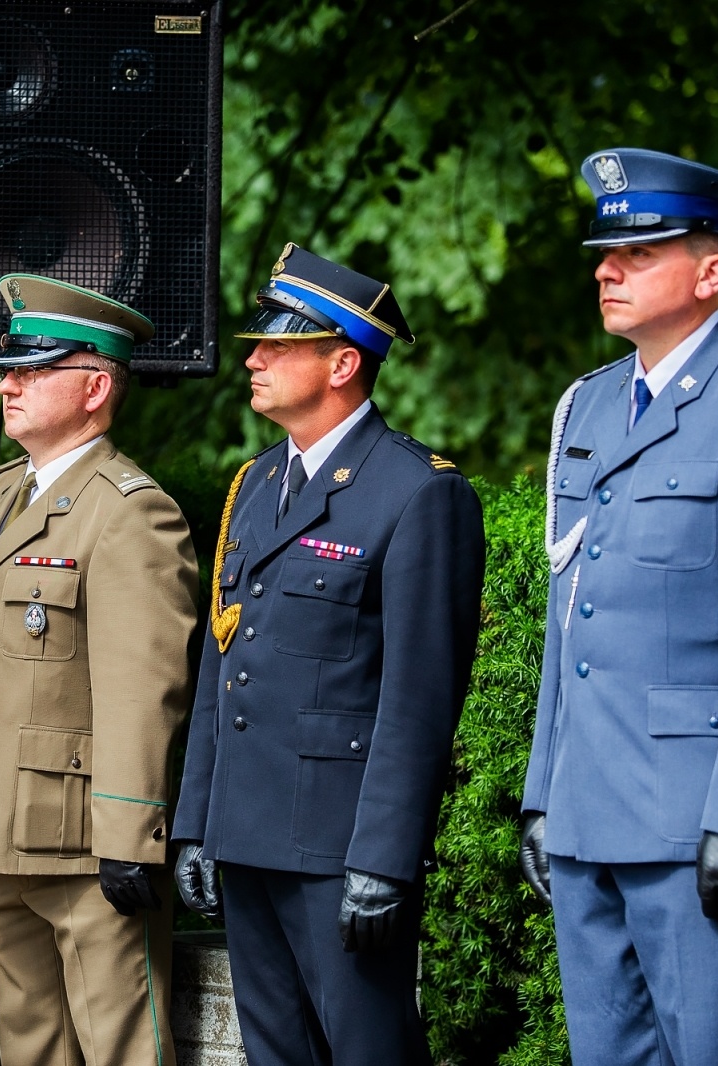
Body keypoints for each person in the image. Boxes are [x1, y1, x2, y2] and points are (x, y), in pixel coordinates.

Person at [518, 148, 718, 1066]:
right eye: (605, 253)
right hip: (588, 821)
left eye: (640, 252)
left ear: (713, 271)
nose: (605, 269)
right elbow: (568, 620)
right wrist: (545, 793)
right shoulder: (584, 408)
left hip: (703, 826)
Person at [172, 245, 485, 1066]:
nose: (253, 358)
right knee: (275, 1053)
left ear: (344, 361)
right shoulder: (255, 484)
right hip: (248, 834)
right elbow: (222, 666)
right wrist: (198, 823)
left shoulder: (417, 491)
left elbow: (419, 699)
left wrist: (384, 856)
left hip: (340, 849)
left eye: (279, 344)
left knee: (367, 1051)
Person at [0, 275, 198, 1066]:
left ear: (94, 387)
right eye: (8, 365)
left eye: (33, 367)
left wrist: (128, 836)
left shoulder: (130, 510)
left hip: (84, 843)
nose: (7, 380)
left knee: (123, 1051)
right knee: (29, 1051)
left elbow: (143, 689)